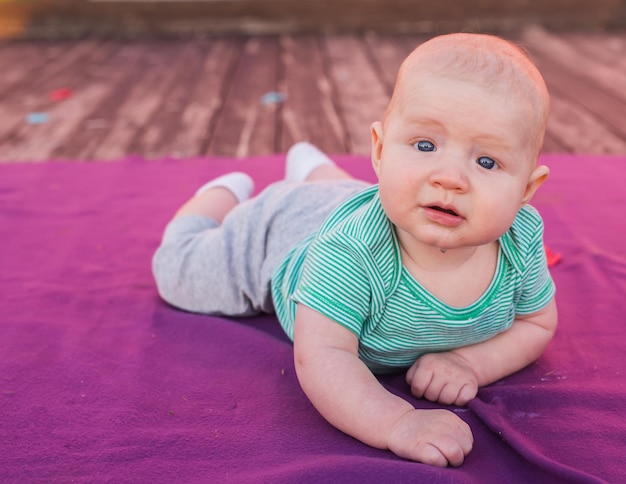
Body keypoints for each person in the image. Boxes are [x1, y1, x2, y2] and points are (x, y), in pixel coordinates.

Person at [152, 33, 558, 467]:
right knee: (177, 272)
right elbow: (323, 356)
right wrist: (397, 422)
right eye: (425, 146)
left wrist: (468, 363)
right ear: (380, 150)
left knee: (360, 193)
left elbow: (536, 323)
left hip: (361, 197)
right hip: (282, 229)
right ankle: (216, 196)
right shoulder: (350, 252)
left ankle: (315, 169)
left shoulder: (520, 240)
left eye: (487, 162)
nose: (450, 178)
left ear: (526, 190)